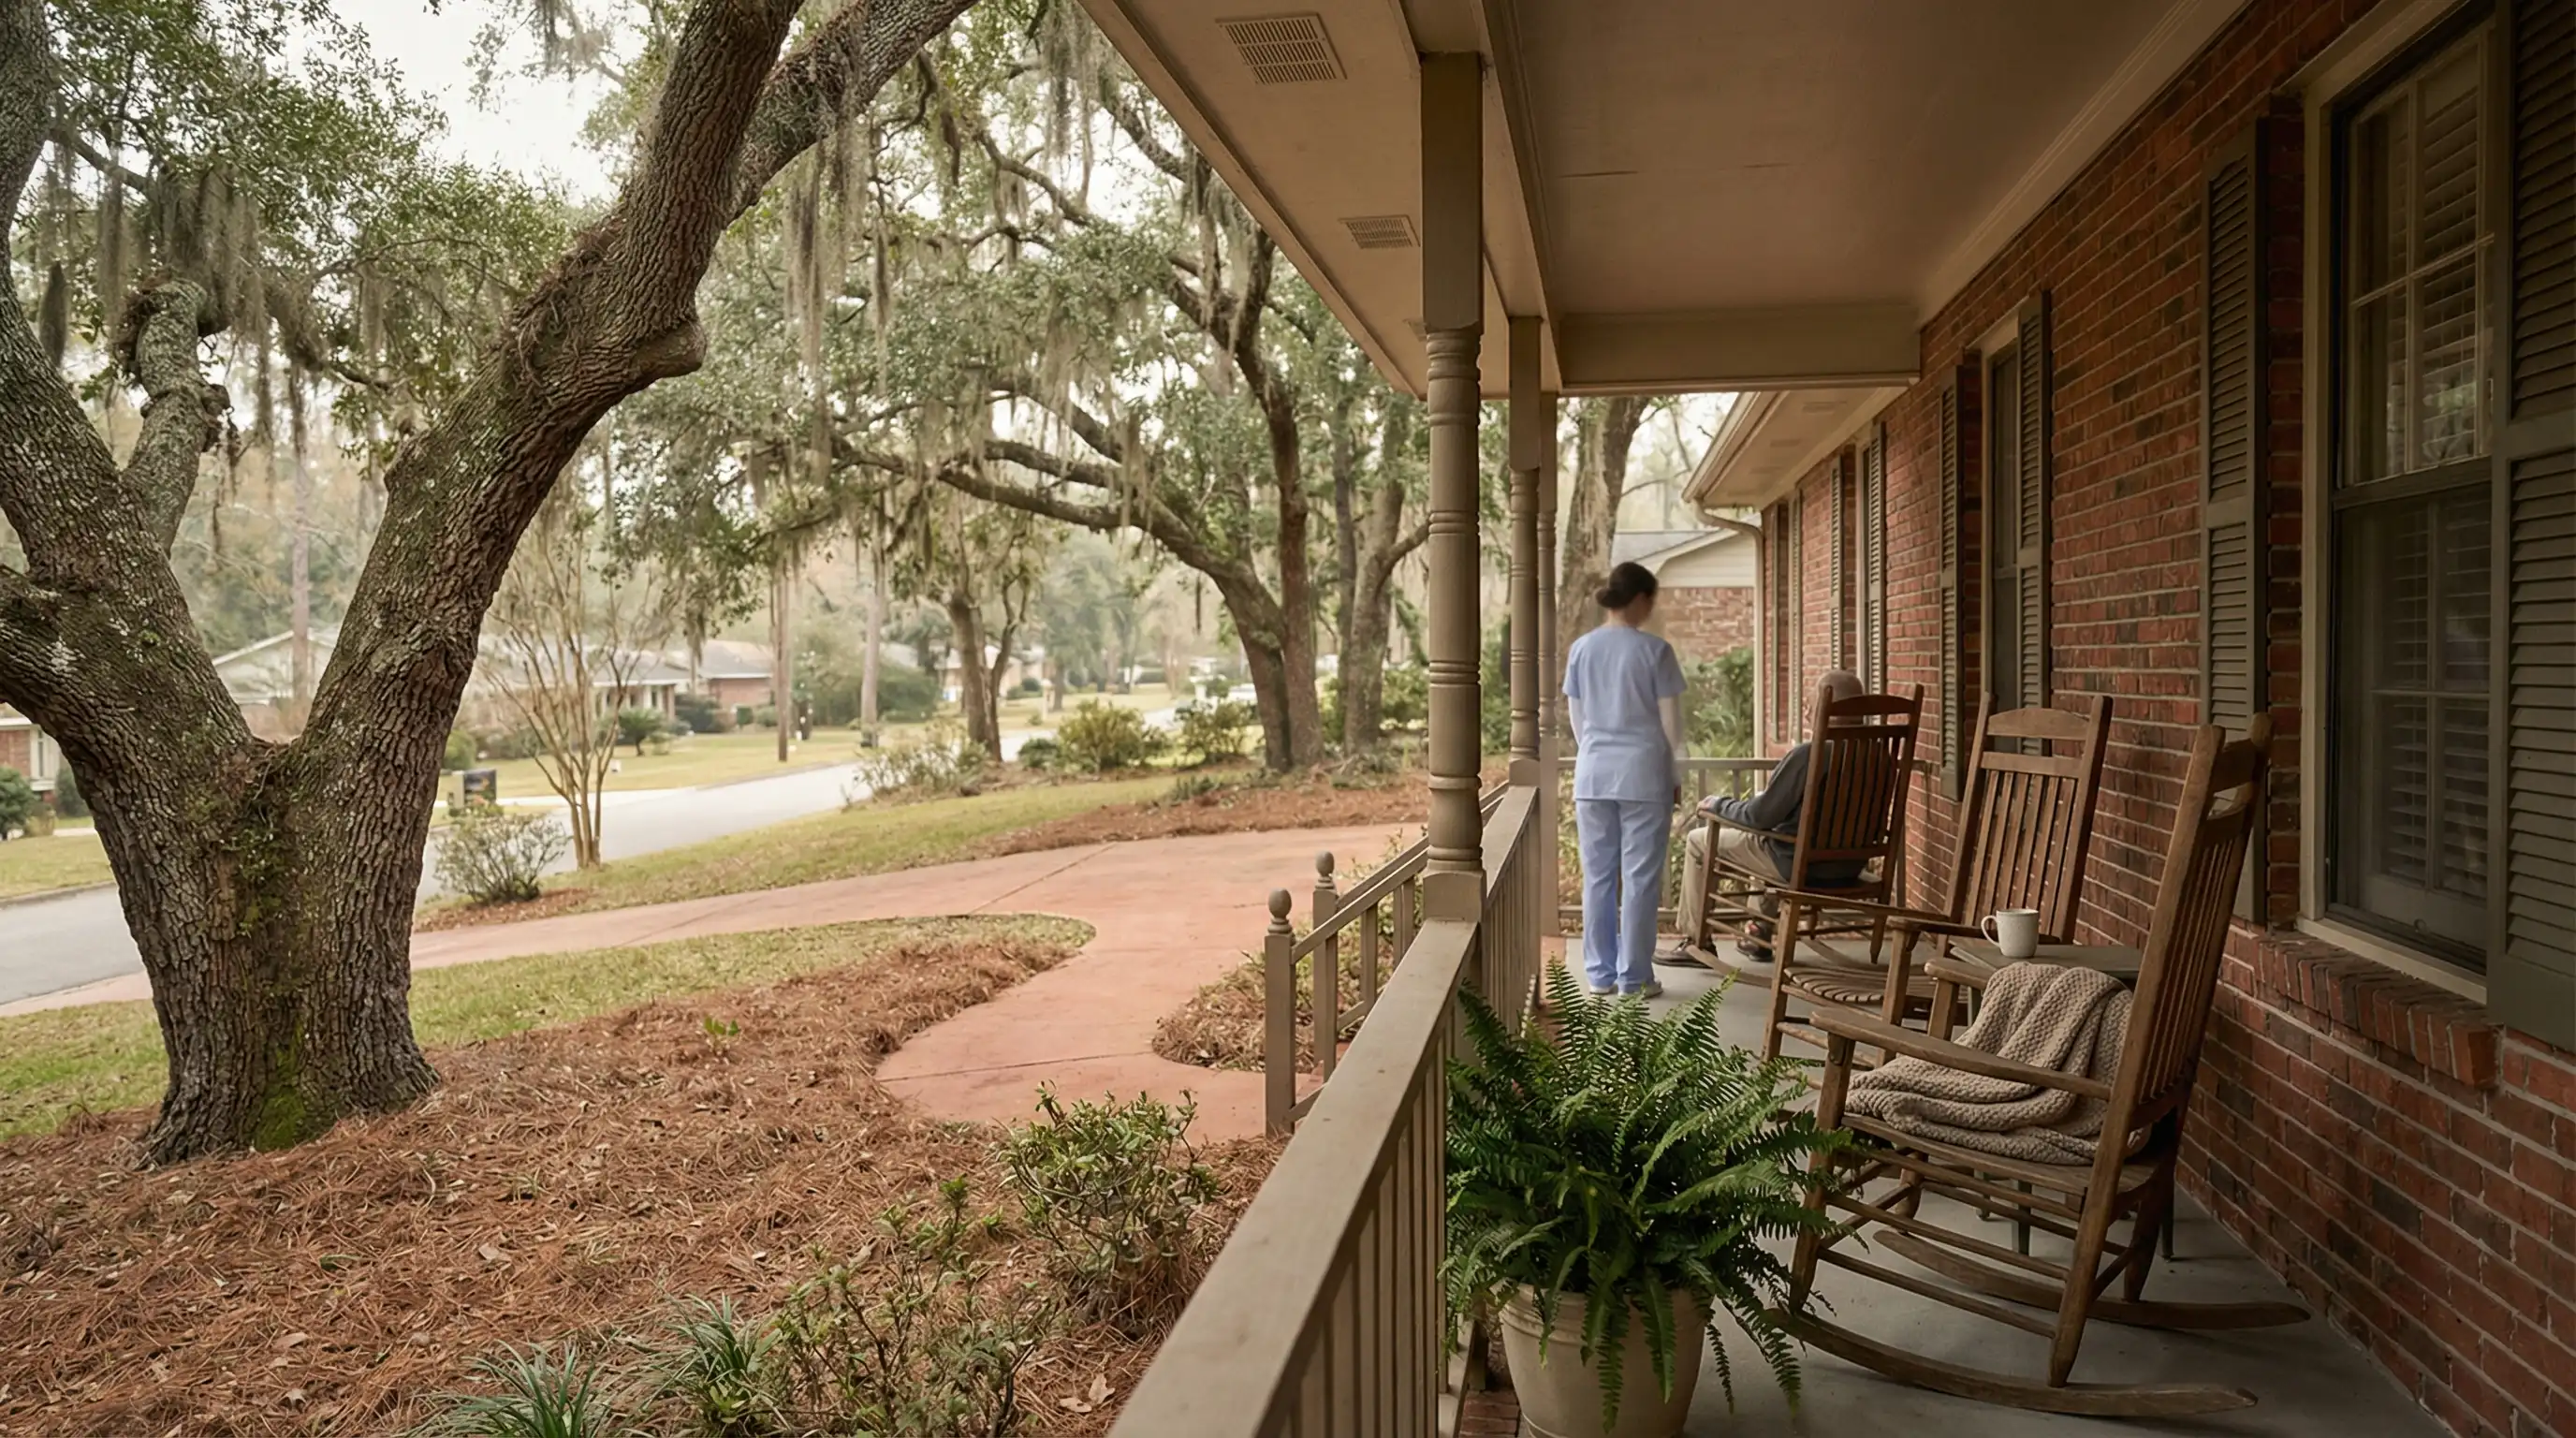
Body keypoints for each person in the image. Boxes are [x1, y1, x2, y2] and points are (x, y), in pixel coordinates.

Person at [1676, 668, 1865, 961]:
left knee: (1699, 841)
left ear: (1824, 707)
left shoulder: (1809, 755)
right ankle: (1758, 933)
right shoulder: (1879, 756)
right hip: (1848, 869)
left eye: (1810, 703)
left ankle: (1694, 941)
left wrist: (1718, 805)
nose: (1806, 710)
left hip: (1798, 867)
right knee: (1769, 839)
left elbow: (1759, 817)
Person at [1562, 561, 1687, 998]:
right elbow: (1672, 726)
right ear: (1638, 599)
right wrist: (1676, 775)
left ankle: (1598, 974)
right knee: (1640, 879)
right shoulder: (1656, 651)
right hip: (1644, 774)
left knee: (1597, 876)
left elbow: (1577, 721)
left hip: (1593, 773)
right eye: (1650, 600)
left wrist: (1597, 750)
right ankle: (1634, 978)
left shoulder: (1582, 649)